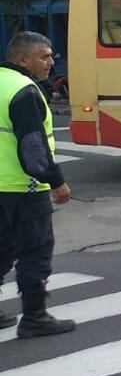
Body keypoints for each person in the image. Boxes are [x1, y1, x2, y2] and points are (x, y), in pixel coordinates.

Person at [0, 32, 76, 338]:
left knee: (1, 248)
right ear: (23, 59)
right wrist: (57, 182)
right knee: (35, 251)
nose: (51, 61)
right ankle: (34, 317)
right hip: (24, 188)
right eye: (44, 56)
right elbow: (33, 146)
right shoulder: (23, 89)